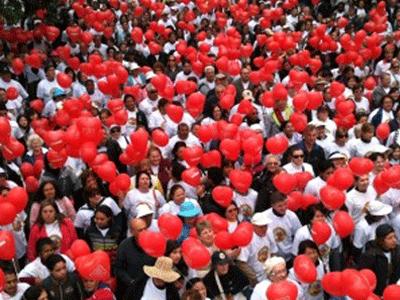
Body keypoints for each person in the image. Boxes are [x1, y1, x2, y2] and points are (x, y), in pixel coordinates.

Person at [114, 218, 155, 298]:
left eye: (145, 229)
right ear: (132, 232)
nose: (144, 232)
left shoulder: (153, 244)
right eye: (140, 230)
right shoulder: (124, 246)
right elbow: (118, 269)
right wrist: (131, 282)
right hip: (130, 290)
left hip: (150, 289)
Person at [358, 224, 400, 296]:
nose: (394, 240)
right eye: (390, 238)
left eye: (394, 236)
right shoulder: (370, 256)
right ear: (381, 241)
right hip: (376, 293)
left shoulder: (397, 250)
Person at [237, 212, 278, 286]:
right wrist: (254, 278)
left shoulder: (269, 232)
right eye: (261, 227)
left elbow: (273, 252)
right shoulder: (247, 239)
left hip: (270, 273)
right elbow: (241, 262)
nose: (264, 229)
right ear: (253, 226)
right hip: (256, 277)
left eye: (265, 226)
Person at [264, 192, 302, 265]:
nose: (284, 208)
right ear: (273, 206)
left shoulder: (292, 216)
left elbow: (298, 236)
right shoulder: (265, 216)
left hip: (290, 255)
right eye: (280, 206)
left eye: (285, 204)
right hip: (274, 258)